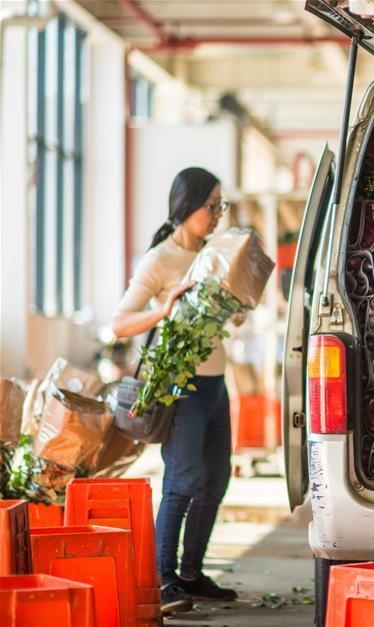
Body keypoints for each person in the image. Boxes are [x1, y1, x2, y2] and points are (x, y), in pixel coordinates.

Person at [113, 167, 237, 613]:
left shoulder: (214, 254)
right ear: (187, 208)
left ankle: (192, 573)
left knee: (217, 477)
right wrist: (164, 309)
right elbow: (120, 322)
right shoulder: (159, 260)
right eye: (212, 206)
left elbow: (224, 316)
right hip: (179, 384)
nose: (218, 214)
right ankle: (163, 579)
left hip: (215, 383)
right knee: (183, 480)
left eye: (222, 206)